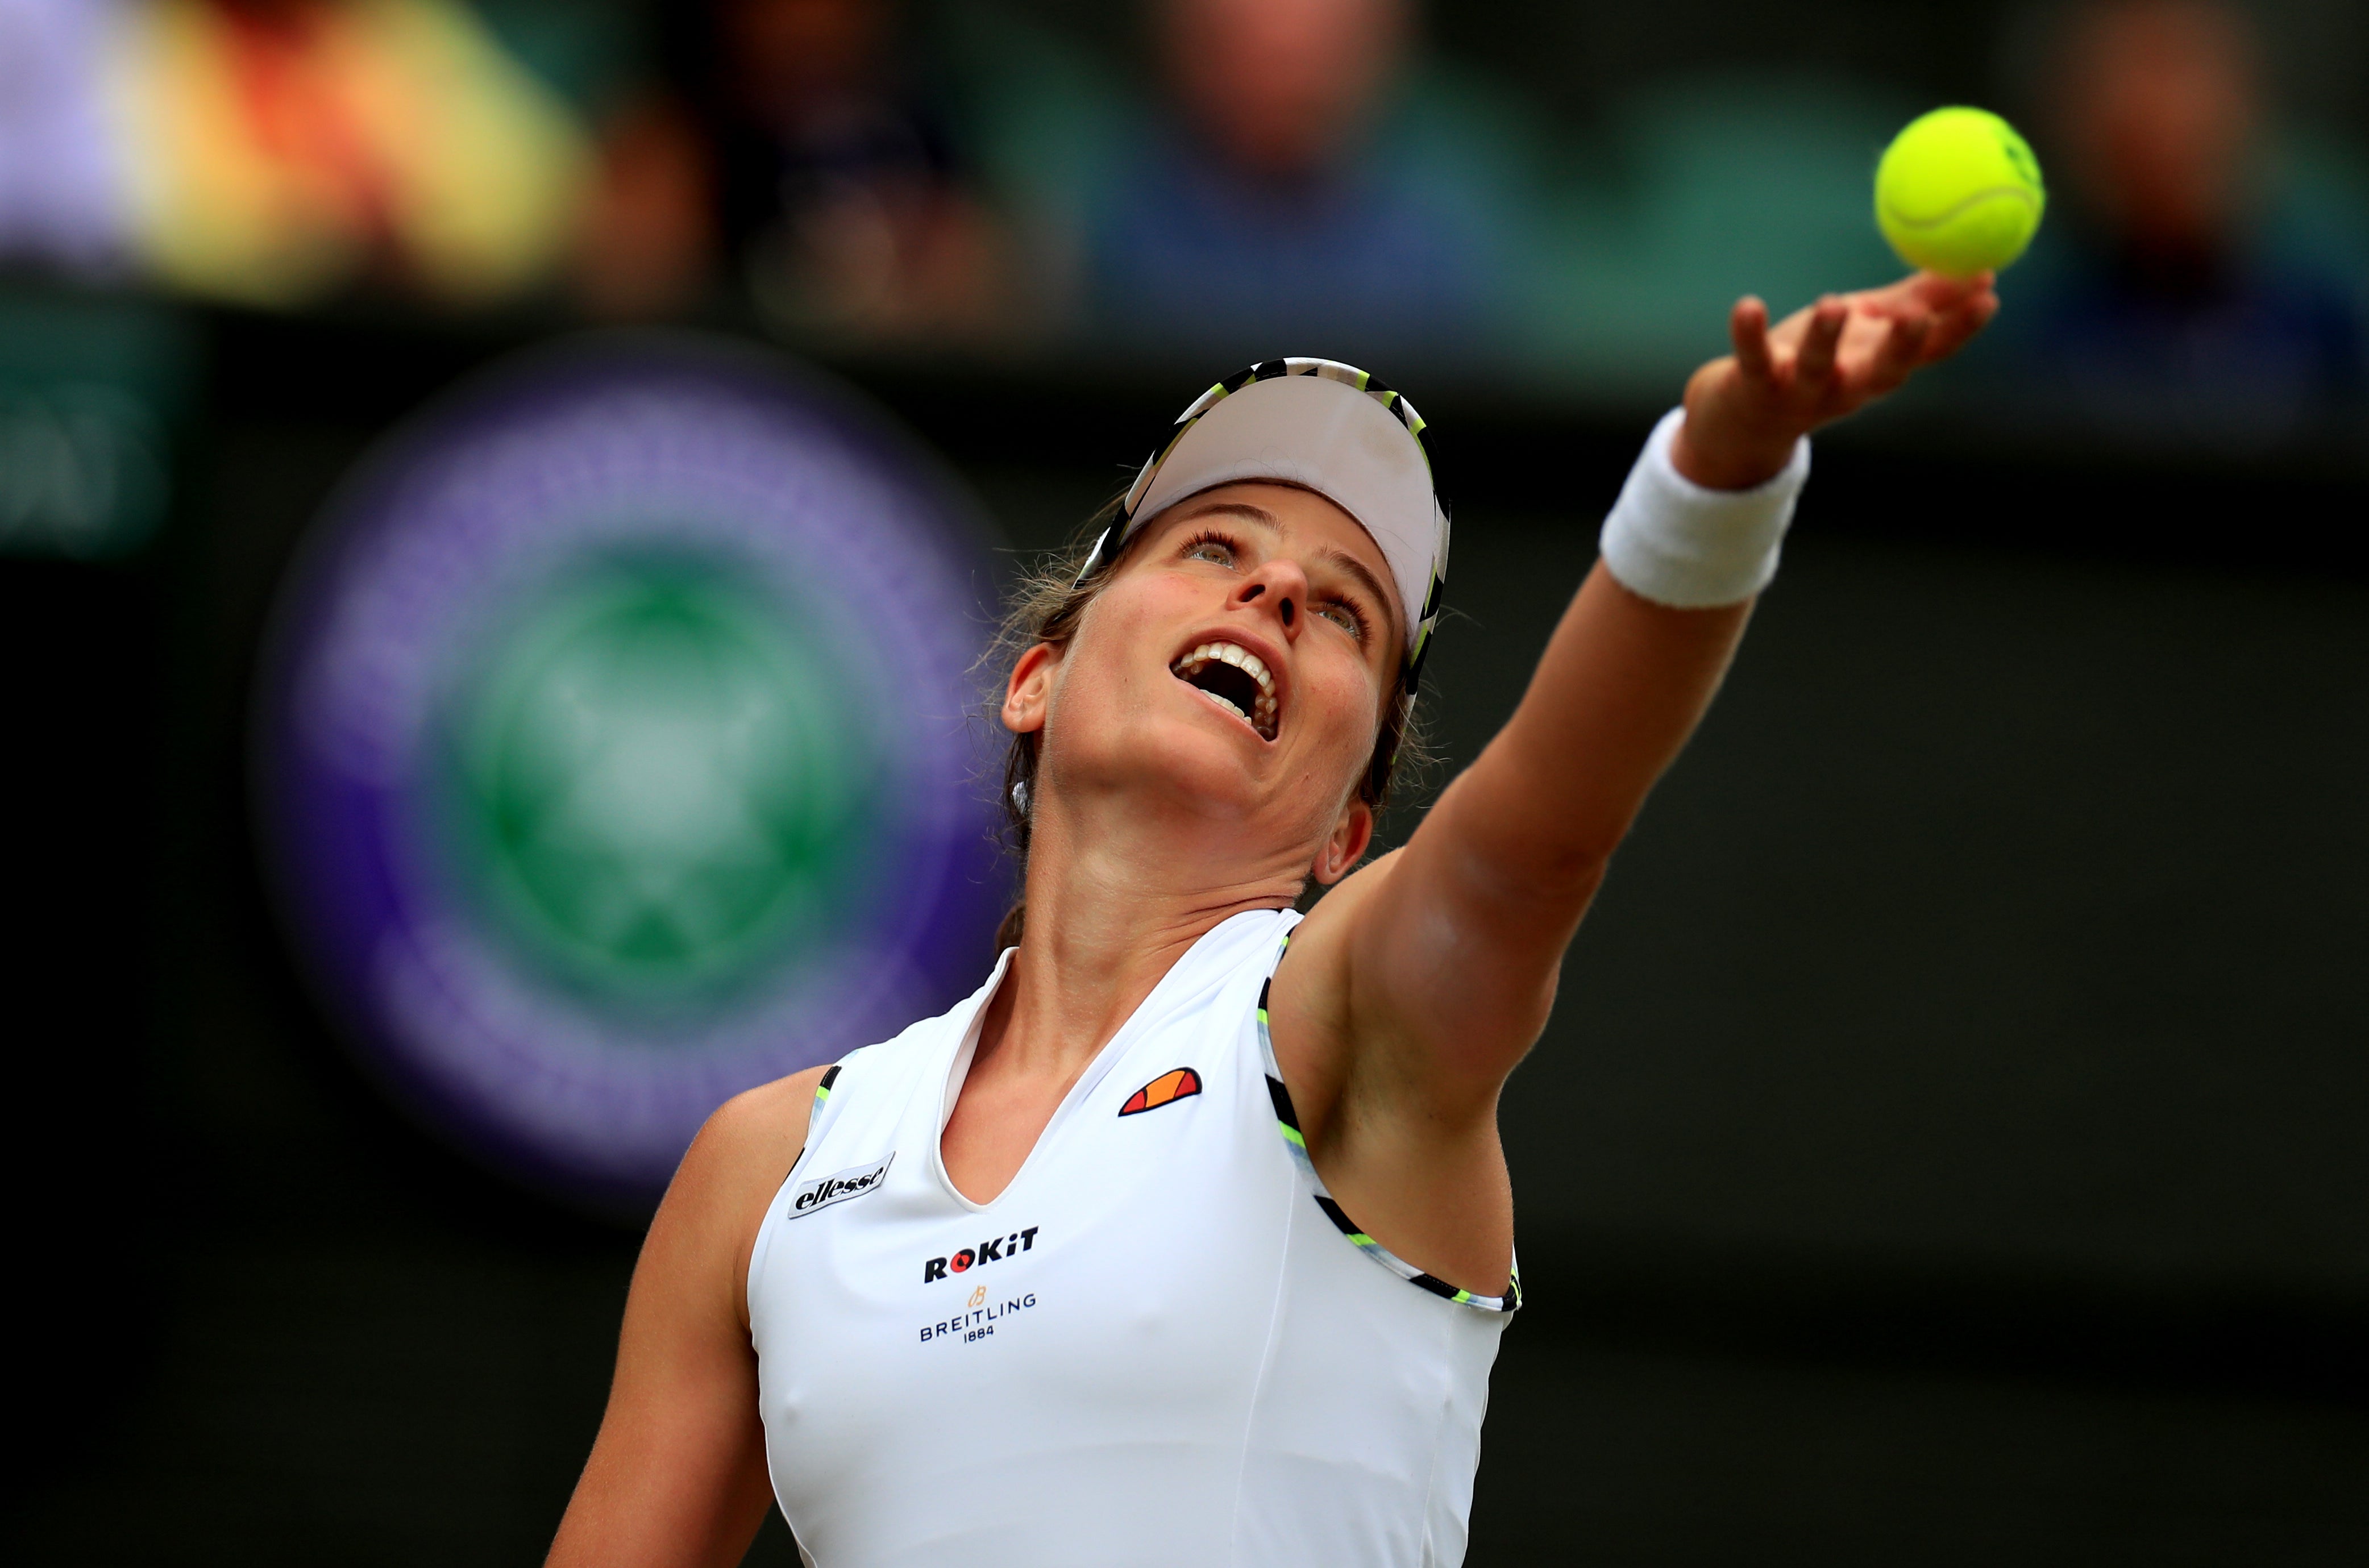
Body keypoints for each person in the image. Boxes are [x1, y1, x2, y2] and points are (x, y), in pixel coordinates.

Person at [545, 267, 1997, 1564]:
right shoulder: (767, 1169)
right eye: (1213, 548)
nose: (1281, 588)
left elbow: (1534, 848)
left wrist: (1717, 476)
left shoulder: (1334, 1026)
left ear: (1344, 832)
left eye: (1350, 610)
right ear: (1036, 679)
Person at [1995, 0, 2366, 444]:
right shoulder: (2031, 330)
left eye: (2181, 69)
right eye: (2126, 78)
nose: (2163, 111)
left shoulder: (2325, 315)